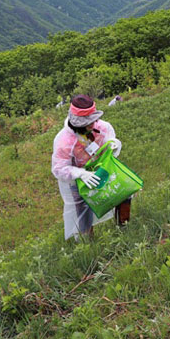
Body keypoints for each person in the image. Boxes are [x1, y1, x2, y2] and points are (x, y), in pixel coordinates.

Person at [51, 95, 128, 239]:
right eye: (88, 122)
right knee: (83, 211)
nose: (92, 125)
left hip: (102, 170)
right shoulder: (64, 140)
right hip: (79, 180)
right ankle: (87, 242)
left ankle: (124, 228)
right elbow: (59, 168)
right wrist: (80, 174)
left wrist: (113, 142)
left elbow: (109, 135)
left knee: (123, 193)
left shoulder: (100, 126)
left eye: (93, 120)